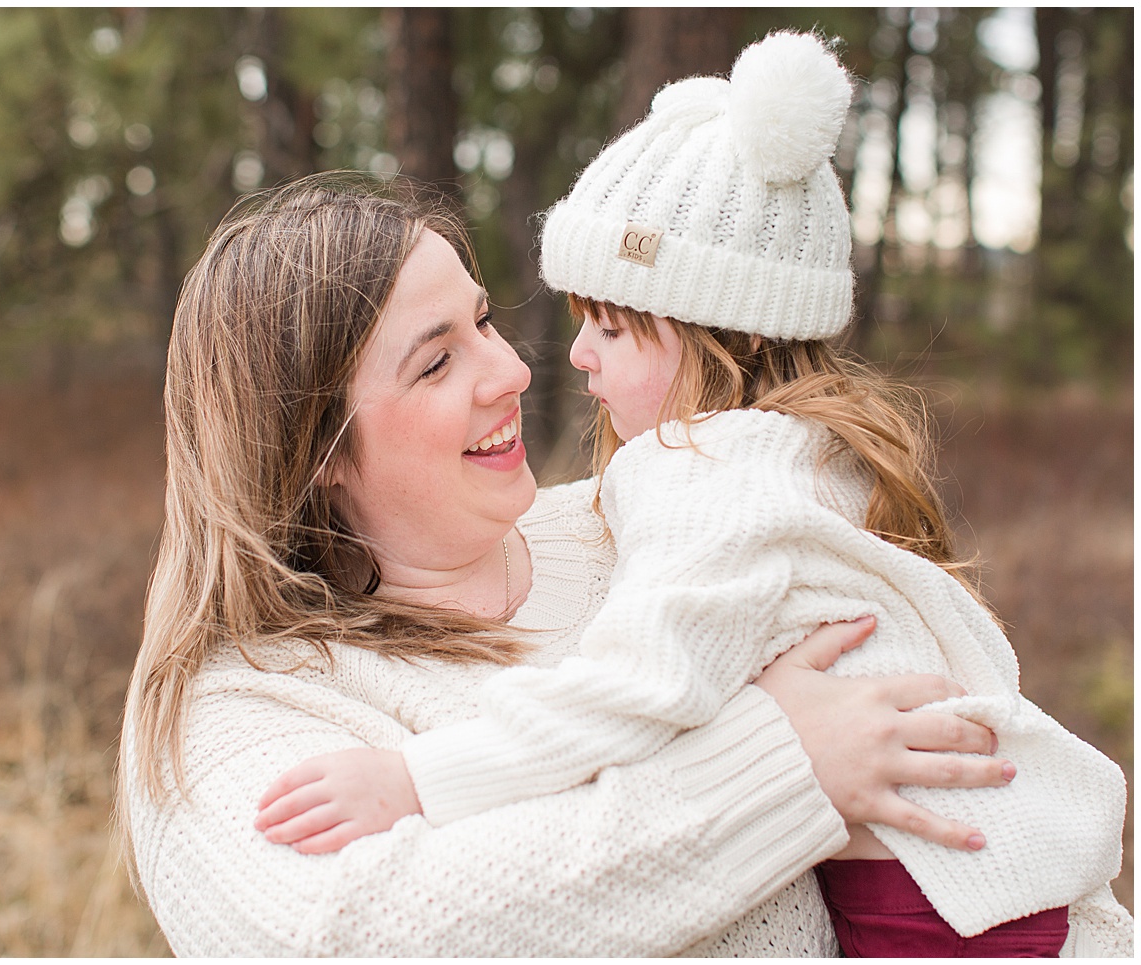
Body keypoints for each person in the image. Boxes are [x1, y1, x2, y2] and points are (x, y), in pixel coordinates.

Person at [252, 33, 1133, 957]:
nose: (569, 355)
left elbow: (634, 691)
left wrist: (418, 779)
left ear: (725, 339)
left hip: (924, 906)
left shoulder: (709, 474)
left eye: (613, 327)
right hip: (995, 873)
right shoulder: (805, 451)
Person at [118, 169, 1022, 956]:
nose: (512, 368)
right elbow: (349, 934)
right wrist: (785, 772)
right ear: (314, 454)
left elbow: (954, 743)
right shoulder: (236, 706)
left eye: (483, 320)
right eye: (437, 363)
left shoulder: (661, 524)